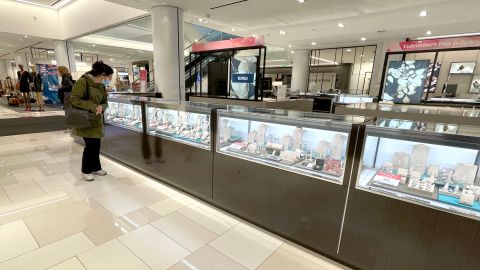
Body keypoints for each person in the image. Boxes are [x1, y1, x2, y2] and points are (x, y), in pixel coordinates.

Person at [70, 61, 114, 181]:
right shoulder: (83, 82)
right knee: (90, 146)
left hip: (96, 120)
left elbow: (105, 102)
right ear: (103, 74)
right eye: (109, 77)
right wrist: (93, 106)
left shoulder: (101, 85)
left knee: (96, 145)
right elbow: (74, 100)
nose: (109, 80)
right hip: (85, 119)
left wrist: (102, 107)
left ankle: (96, 167)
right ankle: (86, 170)